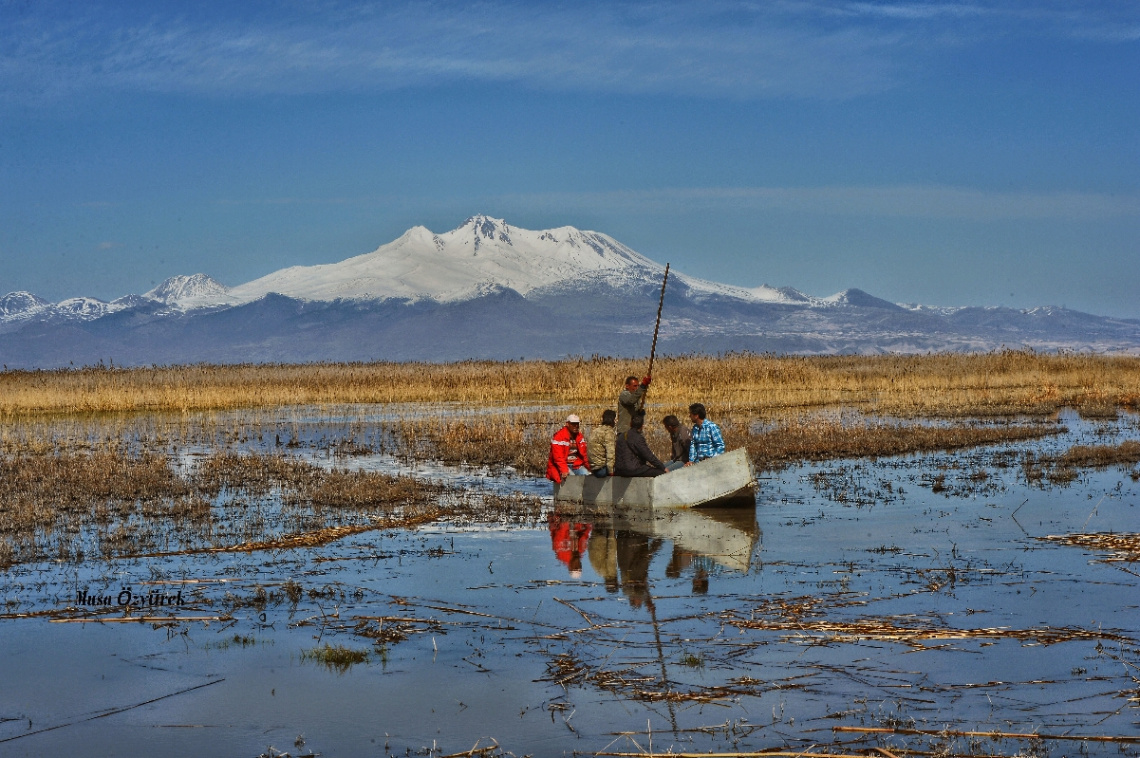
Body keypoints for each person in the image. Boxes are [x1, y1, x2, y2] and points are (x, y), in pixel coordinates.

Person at [614, 412, 666, 477]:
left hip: (619, 470)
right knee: (661, 474)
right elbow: (648, 455)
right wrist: (662, 467)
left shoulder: (621, 436)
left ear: (630, 424)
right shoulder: (638, 438)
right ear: (642, 426)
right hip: (632, 470)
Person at [546, 414, 591, 483]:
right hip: (563, 465)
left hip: (576, 464)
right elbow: (558, 458)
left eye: (577, 424)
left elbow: (584, 454)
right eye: (573, 424)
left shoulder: (580, 437)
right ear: (567, 424)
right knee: (572, 480)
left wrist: (590, 468)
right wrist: (564, 470)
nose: (576, 426)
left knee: (588, 476)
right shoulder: (559, 437)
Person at [589, 409, 617, 477]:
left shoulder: (596, 430)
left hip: (593, 469)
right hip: (602, 470)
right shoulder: (608, 432)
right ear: (613, 420)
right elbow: (610, 453)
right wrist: (611, 471)